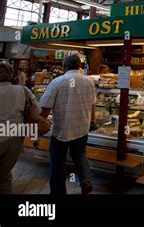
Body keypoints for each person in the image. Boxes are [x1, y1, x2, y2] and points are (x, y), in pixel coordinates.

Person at [39, 55, 97, 195]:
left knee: (58, 162)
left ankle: (59, 191)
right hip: (82, 128)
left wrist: (38, 125)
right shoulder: (89, 81)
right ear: (80, 66)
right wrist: (93, 121)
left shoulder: (57, 82)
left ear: (64, 66)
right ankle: (86, 181)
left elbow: (45, 108)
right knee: (80, 154)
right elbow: (93, 103)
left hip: (62, 131)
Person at [0, 63, 49, 194]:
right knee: (4, 176)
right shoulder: (22, 90)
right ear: (11, 75)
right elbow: (37, 112)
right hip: (14, 137)